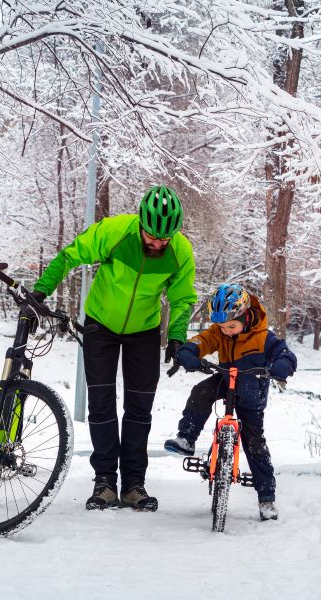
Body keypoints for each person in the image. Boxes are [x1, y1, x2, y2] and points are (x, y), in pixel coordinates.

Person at [33, 185, 197, 512]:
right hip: (101, 326)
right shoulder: (114, 232)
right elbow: (70, 255)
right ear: (140, 223)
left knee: (139, 409)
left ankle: (134, 484)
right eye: (151, 236)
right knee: (102, 403)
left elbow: (182, 298)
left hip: (145, 332)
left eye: (164, 238)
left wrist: (177, 335)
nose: (157, 243)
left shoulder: (181, 251)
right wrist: (41, 291)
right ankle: (105, 481)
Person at [164, 283, 297, 521]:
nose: (226, 331)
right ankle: (186, 437)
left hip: (252, 387)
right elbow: (200, 341)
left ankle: (266, 497)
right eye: (222, 327)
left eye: (231, 326)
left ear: (246, 315)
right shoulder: (219, 332)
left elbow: (284, 353)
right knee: (201, 392)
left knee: (254, 443)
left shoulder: (263, 338)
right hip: (226, 379)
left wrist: (282, 366)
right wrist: (189, 353)